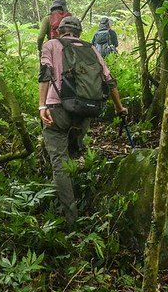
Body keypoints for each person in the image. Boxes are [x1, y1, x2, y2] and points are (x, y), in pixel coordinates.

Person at [38, 15, 127, 224]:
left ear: (59, 30)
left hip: (57, 108)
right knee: (69, 155)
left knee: (59, 162)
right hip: (85, 110)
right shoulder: (91, 48)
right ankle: (66, 192)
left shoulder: (51, 45)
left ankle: (70, 219)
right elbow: (109, 80)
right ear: (79, 32)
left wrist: (42, 105)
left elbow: (45, 73)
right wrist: (119, 107)